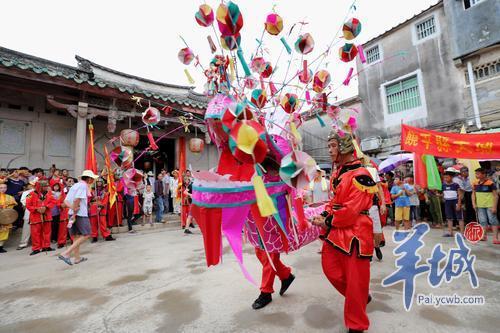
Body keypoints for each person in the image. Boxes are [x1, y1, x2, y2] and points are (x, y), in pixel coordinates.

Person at [312, 130, 376, 333]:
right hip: (337, 232)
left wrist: (327, 220)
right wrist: (323, 214)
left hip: (356, 233)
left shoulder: (361, 175)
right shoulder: (339, 174)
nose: (329, 151)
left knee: (355, 281)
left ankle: (357, 325)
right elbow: (335, 203)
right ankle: (361, 296)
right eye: (329, 146)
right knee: (330, 269)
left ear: (345, 147)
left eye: (333, 146)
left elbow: (351, 210)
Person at [58, 170, 98, 265]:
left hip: (72, 213)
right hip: (80, 213)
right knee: (87, 234)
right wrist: (75, 209)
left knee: (76, 236)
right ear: (89, 179)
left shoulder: (75, 185)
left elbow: (66, 201)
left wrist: (72, 208)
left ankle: (77, 258)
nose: (93, 181)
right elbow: (77, 199)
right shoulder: (83, 186)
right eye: (92, 179)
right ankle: (66, 253)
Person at [26, 179, 56, 255]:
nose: (47, 187)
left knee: (47, 232)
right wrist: (37, 209)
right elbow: (28, 205)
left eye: (47, 185)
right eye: (45, 186)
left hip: (47, 216)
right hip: (35, 216)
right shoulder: (31, 194)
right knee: (35, 233)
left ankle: (46, 246)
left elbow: (53, 202)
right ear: (40, 187)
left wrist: (46, 207)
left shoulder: (49, 193)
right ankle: (36, 248)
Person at [472, 168, 499, 244]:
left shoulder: (490, 183)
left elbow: (496, 196)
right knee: (482, 221)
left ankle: (495, 238)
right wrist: (474, 204)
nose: (476, 175)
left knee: (492, 220)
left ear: (484, 174)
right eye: (476, 173)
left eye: (478, 173)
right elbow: (473, 194)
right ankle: (484, 236)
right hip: (480, 205)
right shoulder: (475, 183)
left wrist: (494, 207)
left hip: (490, 205)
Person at [442, 168, 463, 236]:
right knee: (449, 218)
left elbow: (460, 195)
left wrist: (459, 204)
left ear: (451, 177)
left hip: (455, 201)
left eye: (447, 177)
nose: (445, 179)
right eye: (444, 177)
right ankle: (450, 232)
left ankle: (462, 234)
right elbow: (443, 194)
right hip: (447, 202)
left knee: (459, 217)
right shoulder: (443, 185)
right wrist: (439, 195)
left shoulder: (456, 185)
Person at [17, 180, 36, 250]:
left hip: (37, 211)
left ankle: (37, 242)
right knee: (26, 228)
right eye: (30, 185)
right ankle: (23, 243)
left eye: (33, 185)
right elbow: (24, 201)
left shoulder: (39, 192)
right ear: (27, 186)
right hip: (29, 211)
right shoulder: (26, 193)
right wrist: (31, 193)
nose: (31, 186)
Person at [0, 182, 17, 253]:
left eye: (5, 188)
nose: (3, 189)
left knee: (5, 232)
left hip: (5, 218)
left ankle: (0, 246)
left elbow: (14, 204)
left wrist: (7, 206)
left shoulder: (10, 197)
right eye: (1, 188)